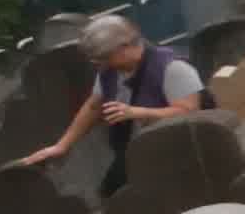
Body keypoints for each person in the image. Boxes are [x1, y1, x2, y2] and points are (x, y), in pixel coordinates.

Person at [17, 13, 204, 195]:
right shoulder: (109, 70)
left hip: (181, 152)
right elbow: (93, 106)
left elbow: (188, 112)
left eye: (105, 57)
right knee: (112, 193)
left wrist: (138, 112)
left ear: (126, 46)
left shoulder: (173, 68)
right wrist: (62, 146)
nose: (100, 64)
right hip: (135, 152)